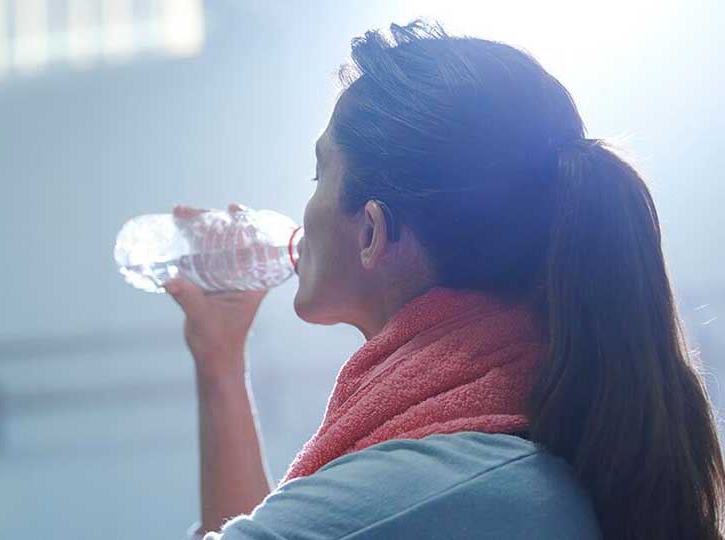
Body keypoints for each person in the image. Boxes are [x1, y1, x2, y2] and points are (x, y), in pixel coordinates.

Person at [163, 18, 725, 540]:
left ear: (371, 234)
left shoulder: (434, 485)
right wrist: (220, 362)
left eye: (319, 173)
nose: (303, 207)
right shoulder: (520, 454)